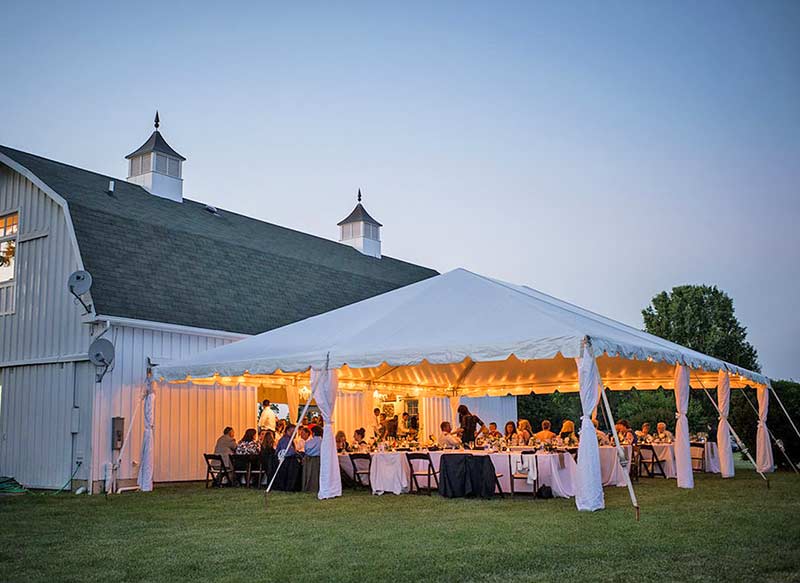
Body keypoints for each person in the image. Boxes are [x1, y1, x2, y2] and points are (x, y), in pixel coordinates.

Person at [302, 426, 323, 493]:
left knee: (309, 474)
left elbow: (306, 450)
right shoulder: (323, 441)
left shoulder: (309, 442)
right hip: (320, 459)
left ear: (313, 433)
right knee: (318, 474)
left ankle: (309, 487)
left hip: (310, 460)